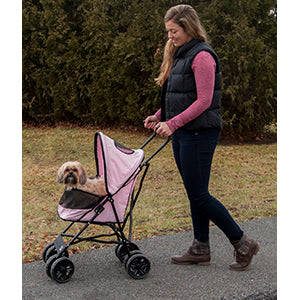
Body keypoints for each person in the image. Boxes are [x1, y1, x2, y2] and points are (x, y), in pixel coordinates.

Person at [144, 4, 259, 271]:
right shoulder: (181, 54)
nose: (170, 36)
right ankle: (200, 248)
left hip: (200, 133)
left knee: (199, 195)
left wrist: (172, 124)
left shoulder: (202, 56)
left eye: (174, 31)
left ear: (188, 26)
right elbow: (180, 98)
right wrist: (159, 115)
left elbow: (204, 101)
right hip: (183, 132)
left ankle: (243, 243)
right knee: (195, 193)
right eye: (168, 32)